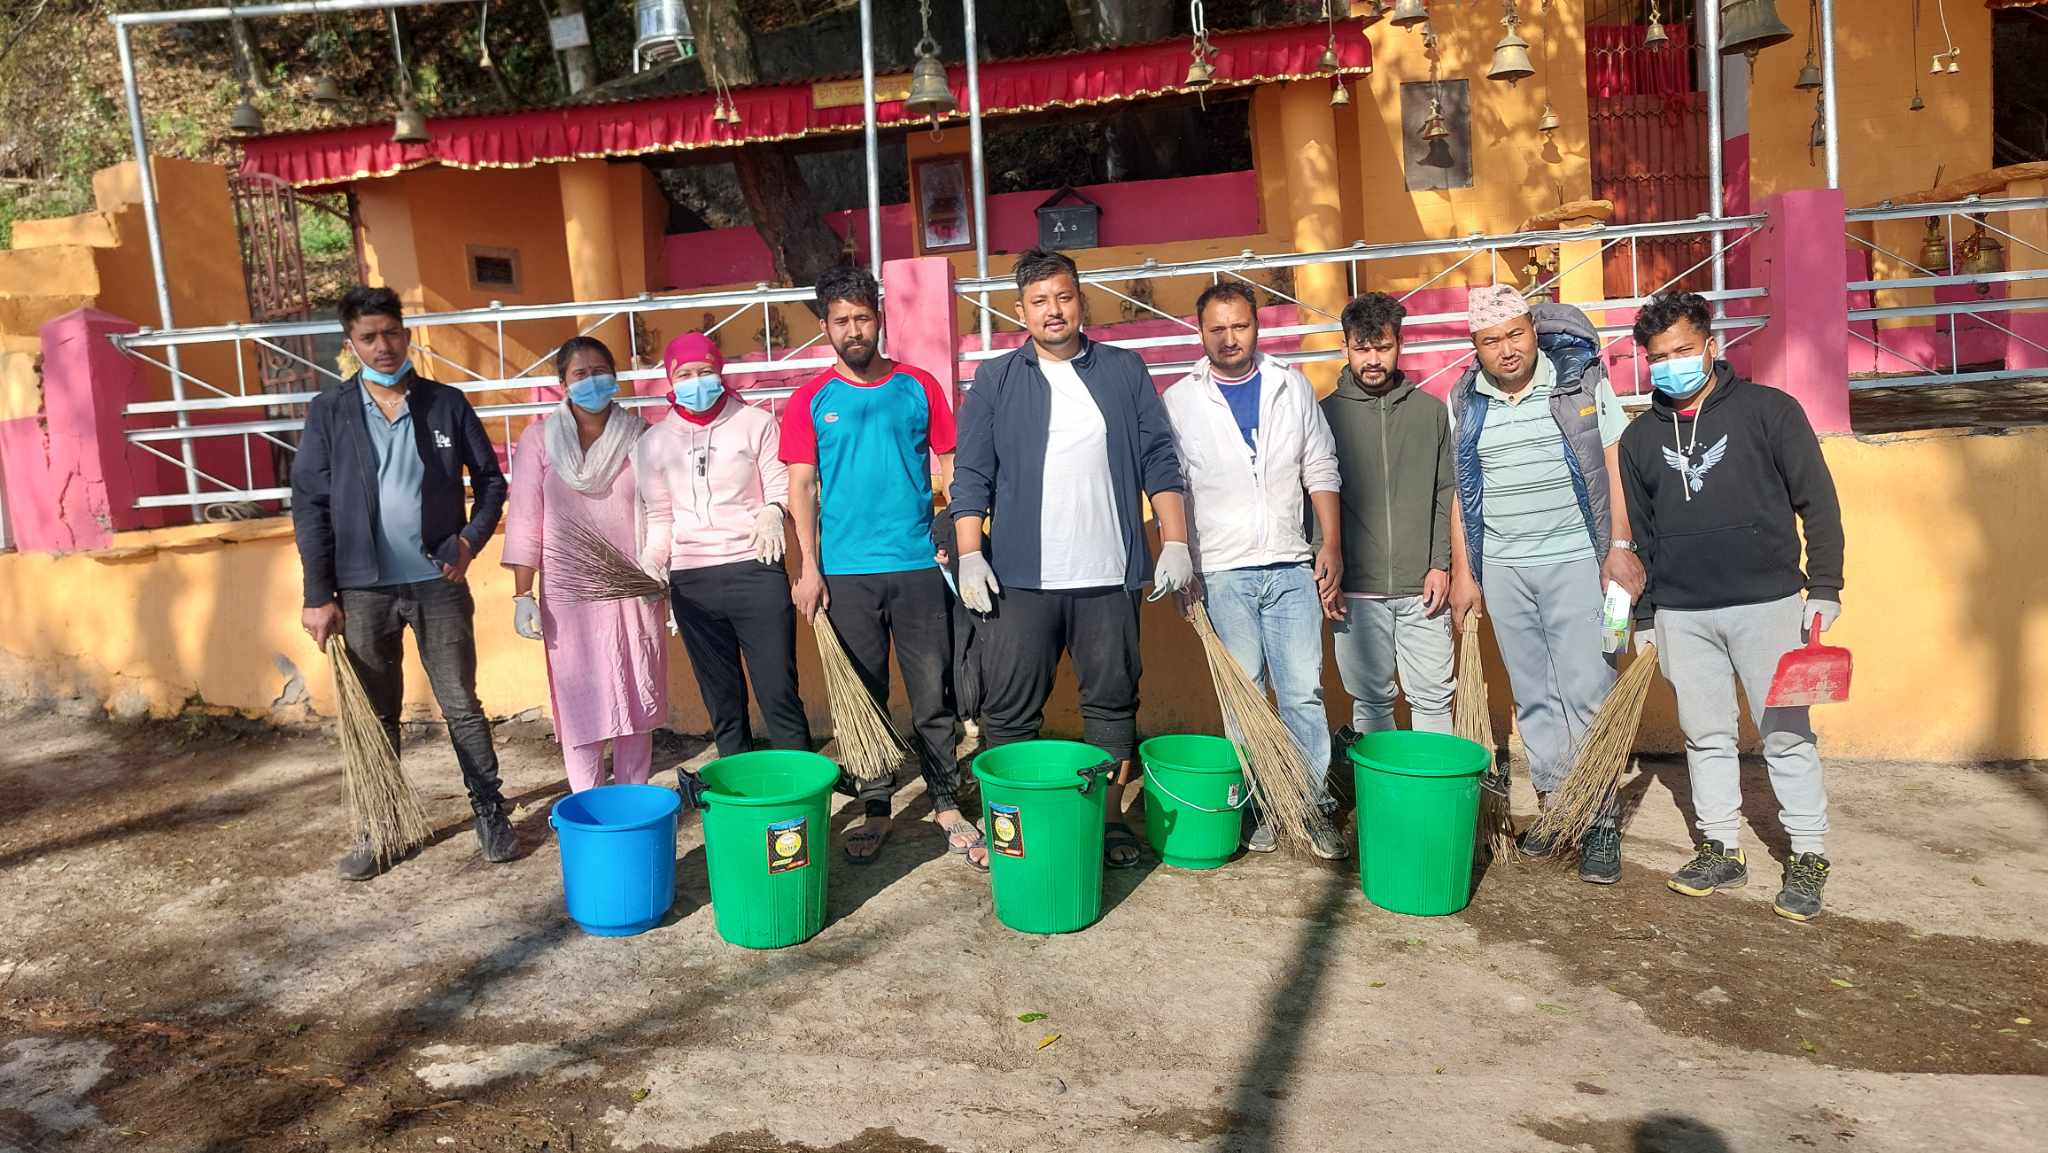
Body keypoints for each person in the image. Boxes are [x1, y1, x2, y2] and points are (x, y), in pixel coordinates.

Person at [949, 248, 1195, 869]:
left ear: (1081, 300)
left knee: (1112, 704)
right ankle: (1012, 828)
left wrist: (1174, 540)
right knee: (1007, 710)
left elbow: (1159, 459)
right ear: (1020, 311)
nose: (1052, 310)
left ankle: (1108, 823)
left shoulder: (1123, 370)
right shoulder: (997, 380)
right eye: (1038, 301)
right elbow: (972, 474)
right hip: (1019, 580)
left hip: (1107, 575)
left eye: (1063, 297)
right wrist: (971, 554)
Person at [1618, 292, 1845, 921]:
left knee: (1786, 735)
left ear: (1711, 346)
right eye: (1659, 357)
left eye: (1684, 350)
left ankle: (1807, 851)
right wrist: (1644, 618)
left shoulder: (1769, 412)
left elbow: (1818, 503)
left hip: (1768, 604)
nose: (1672, 365)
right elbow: (1640, 537)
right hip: (1683, 616)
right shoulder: (1639, 441)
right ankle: (1721, 845)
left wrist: (1825, 586)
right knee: (1705, 736)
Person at [292, 285, 514, 880]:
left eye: (391, 333)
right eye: (369, 337)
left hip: (437, 582)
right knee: (375, 710)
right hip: (362, 591)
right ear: (351, 345)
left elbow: (492, 483)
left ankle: (489, 809)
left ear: (406, 334)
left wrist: (469, 540)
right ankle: (380, 826)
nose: (383, 346)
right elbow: (309, 504)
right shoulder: (331, 411)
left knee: (460, 703)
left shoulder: (445, 403)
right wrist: (318, 594)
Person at [781, 267, 980, 869]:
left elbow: (948, 466)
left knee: (932, 691)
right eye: (840, 320)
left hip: (919, 566)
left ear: (880, 318)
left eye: (862, 318)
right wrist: (809, 567)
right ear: (825, 328)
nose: (853, 330)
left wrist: (953, 538)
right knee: (862, 697)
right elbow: (802, 486)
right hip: (845, 573)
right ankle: (876, 805)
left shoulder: (919, 386)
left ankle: (947, 800)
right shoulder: (810, 399)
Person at [1446, 285, 1644, 885]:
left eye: (1515, 334)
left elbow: (1614, 468)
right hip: (1504, 571)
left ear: (1532, 329)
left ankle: (1599, 817)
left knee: (1587, 693)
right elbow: (1462, 491)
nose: (1506, 350)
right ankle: (1560, 812)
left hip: (1576, 563)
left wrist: (1620, 547)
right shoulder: (1465, 401)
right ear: (1474, 347)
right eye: (1490, 340)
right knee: (1534, 698)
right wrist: (1464, 573)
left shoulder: (1579, 383)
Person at [1160, 282, 1347, 859]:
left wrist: (1330, 542)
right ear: (1201, 332)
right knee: (1242, 697)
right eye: (1217, 328)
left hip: (1290, 564)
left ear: (1256, 325)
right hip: (1220, 571)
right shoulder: (1180, 400)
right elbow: (1174, 486)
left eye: (1239, 326)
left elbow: (1321, 465)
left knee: (1302, 692)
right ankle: (1266, 805)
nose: (1229, 338)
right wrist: (1180, 558)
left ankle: (1309, 804)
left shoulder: (1291, 387)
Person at [502, 336, 669, 792]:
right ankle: (589, 805)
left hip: (634, 583)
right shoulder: (539, 440)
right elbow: (524, 519)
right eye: (581, 373)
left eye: (601, 371)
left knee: (636, 694)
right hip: (568, 596)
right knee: (580, 702)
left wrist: (658, 566)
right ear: (562, 383)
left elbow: (661, 508)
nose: (592, 381)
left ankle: (634, 799)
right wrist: (522, 594)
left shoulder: (640, 435)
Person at [637, 333, 810, 759]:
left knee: (779, 694)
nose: (696, 382)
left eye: (705, 372)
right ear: (670, 380)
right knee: (723, 704)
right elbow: (661, 517)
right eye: (685, 374)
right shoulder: (653, 443)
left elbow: (778, 486)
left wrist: (772, 510)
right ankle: (740, 795)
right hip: (692, 582)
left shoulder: (756, 423)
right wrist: (652, 559)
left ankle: (800, 791)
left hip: (755, 570)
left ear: (720, 372)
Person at [1322, 292, 1457, 743]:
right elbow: (1310, 500)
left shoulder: (1431, 413)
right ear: (1345, 348)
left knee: (1434, 698)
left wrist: (1441, 564)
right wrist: (1321, 574)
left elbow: (1446, 492)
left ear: (1400, 345)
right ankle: (1386, 800)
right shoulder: (1323, 417)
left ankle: (1431, 802)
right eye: (1362, 349)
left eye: (1382, 347)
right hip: (1355, 592)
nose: (1373, 359)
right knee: (1371, 701)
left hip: (1424, 589)